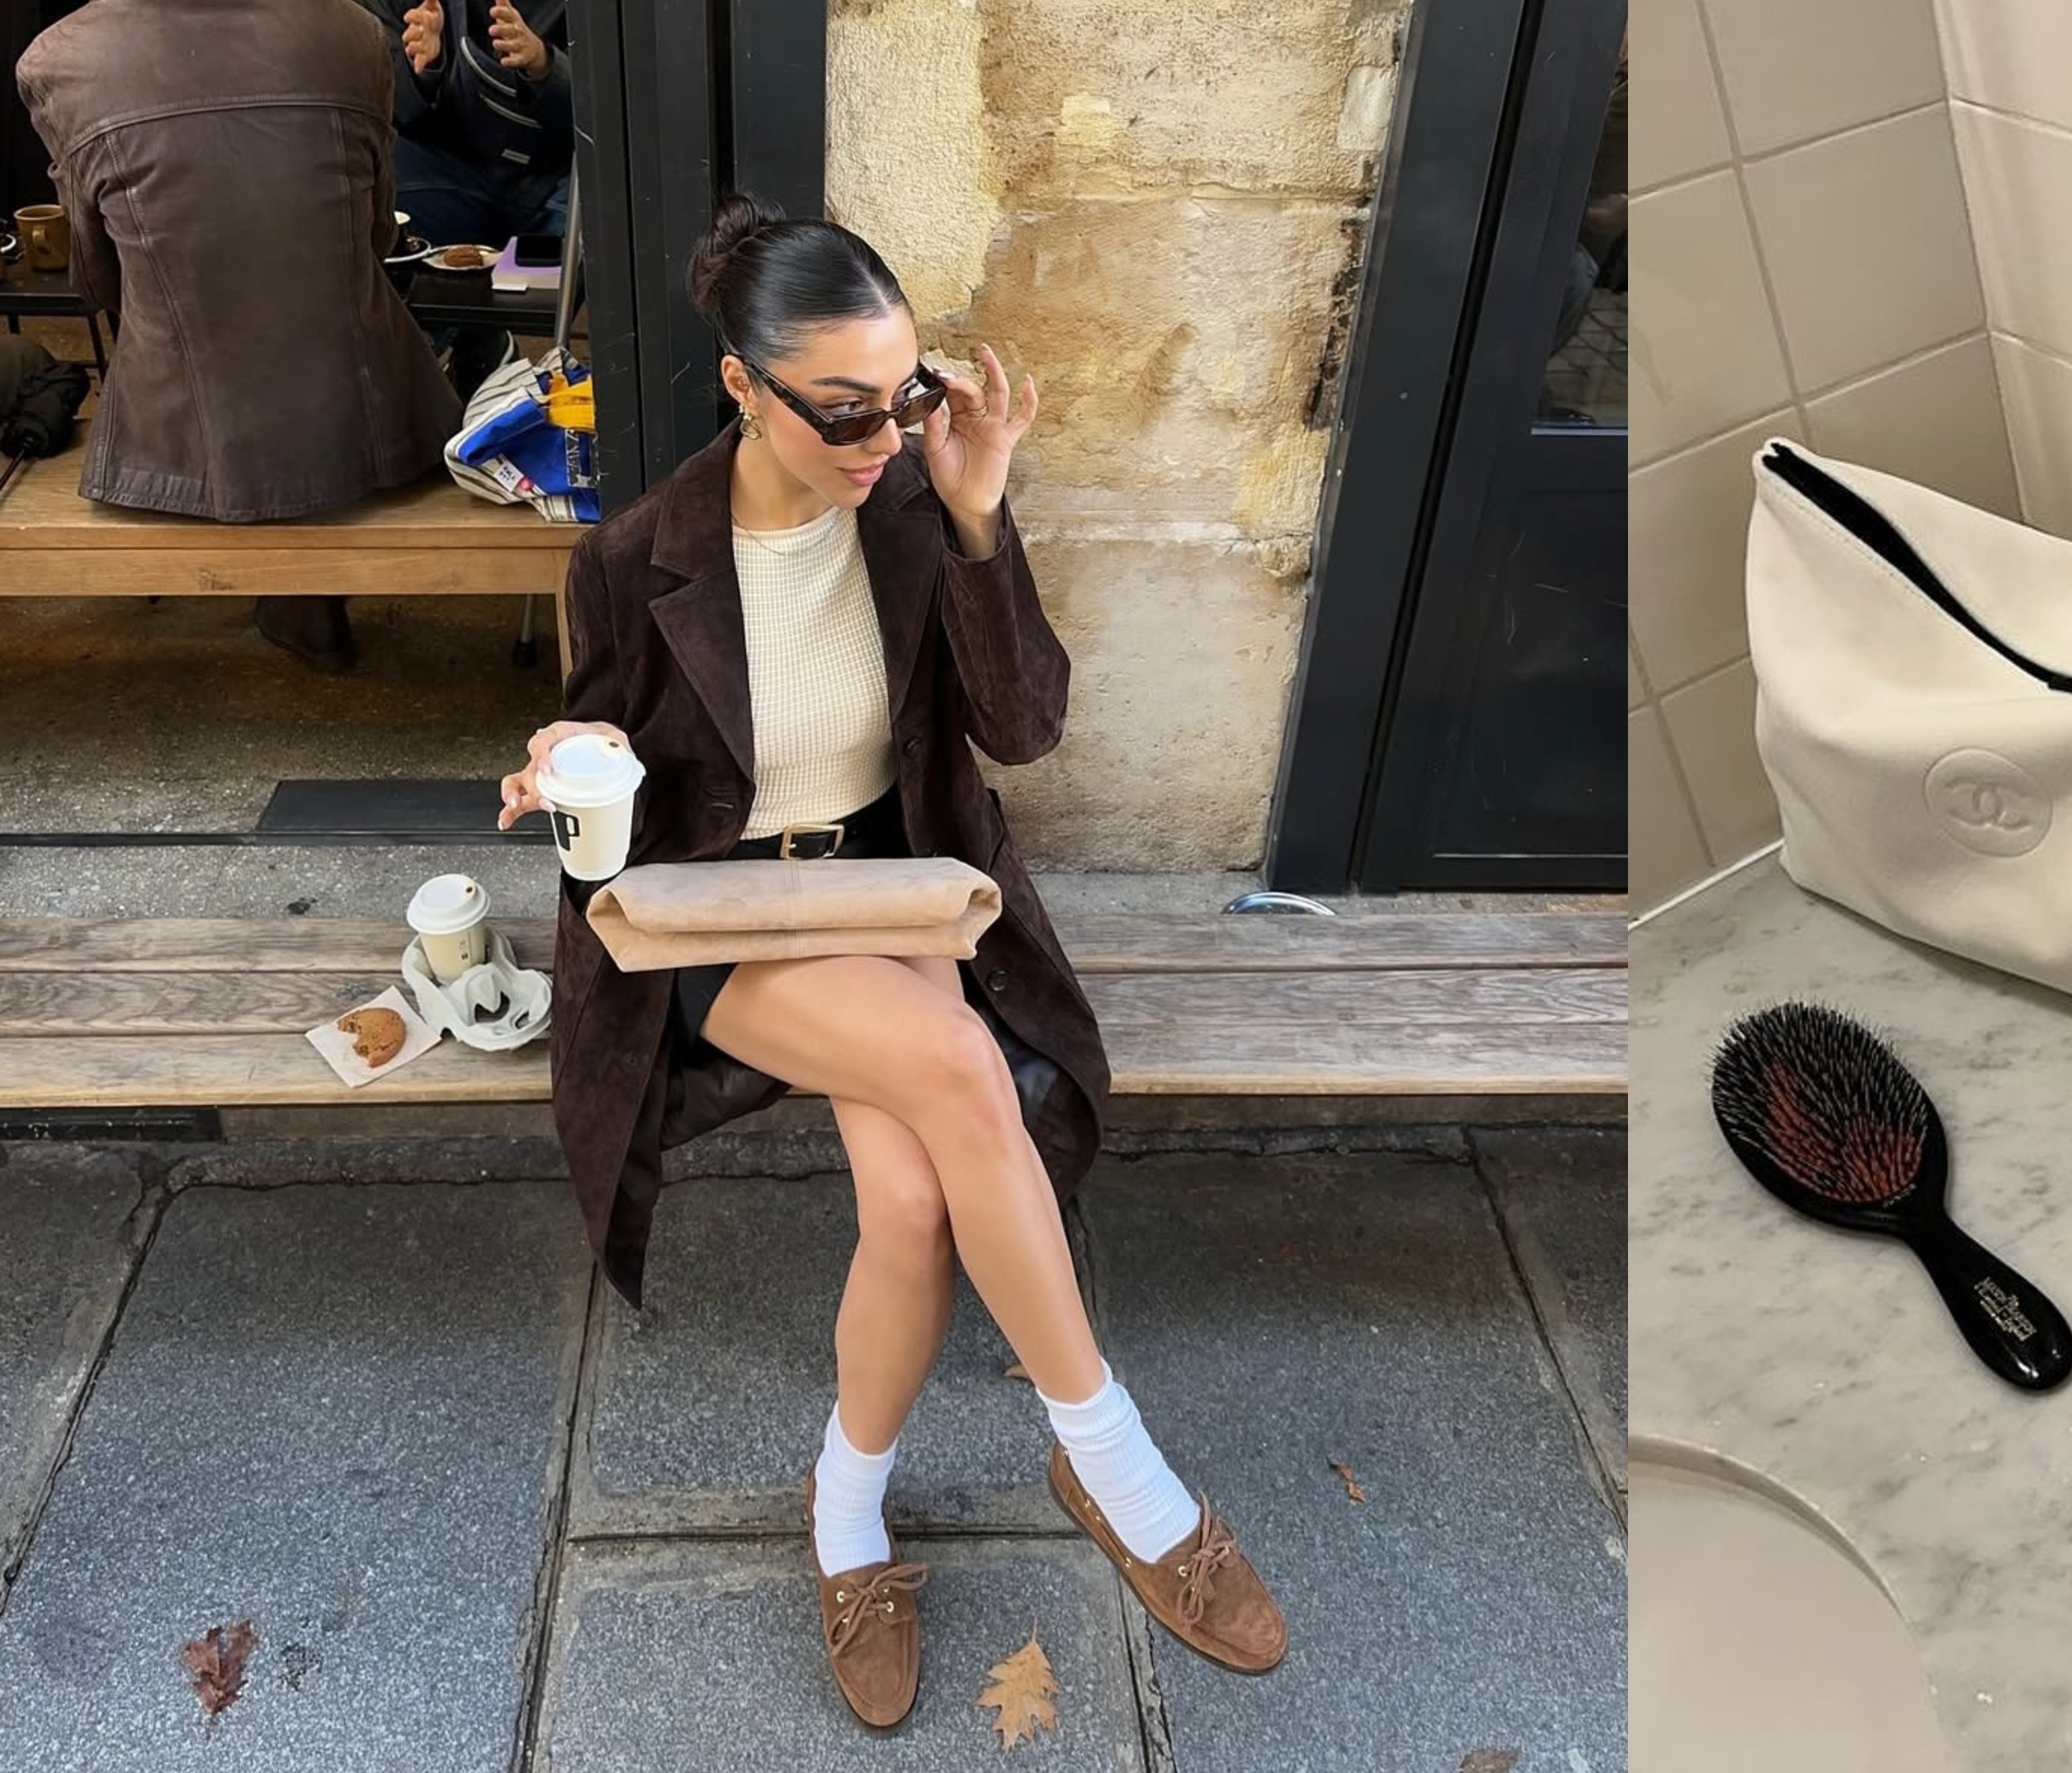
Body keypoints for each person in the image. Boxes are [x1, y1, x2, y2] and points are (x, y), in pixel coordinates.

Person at [494, 194, 1286, 1727]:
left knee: (915, 1197)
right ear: (742, 382)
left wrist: (979, 510)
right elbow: (604, 761)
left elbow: (1022, 730)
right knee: (953, 1065)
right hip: (718, 917)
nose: (880, 436)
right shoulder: (633, 556)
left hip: (899, 887)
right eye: (842, 410)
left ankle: (841, 1512)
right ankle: (1116, 1462)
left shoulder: (922, 509)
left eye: (902, 396)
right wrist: (569, 751)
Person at [16, 0, 464, 673]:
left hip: (180, 445)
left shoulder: (59, 59)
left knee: (161, 349)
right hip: (364, 422)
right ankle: (303, 597)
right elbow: (379, 235)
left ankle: (291, 589)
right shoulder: (355, 33)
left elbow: (96, 280)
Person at [365, 0, 571, 395]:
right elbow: (394, 110)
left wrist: (546, 66)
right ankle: (441, 356)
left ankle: (483, 346)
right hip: (454, 174)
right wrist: (424, 72)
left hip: (559, 180)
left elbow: (621, 105)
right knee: (373, 194)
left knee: (585, 250)